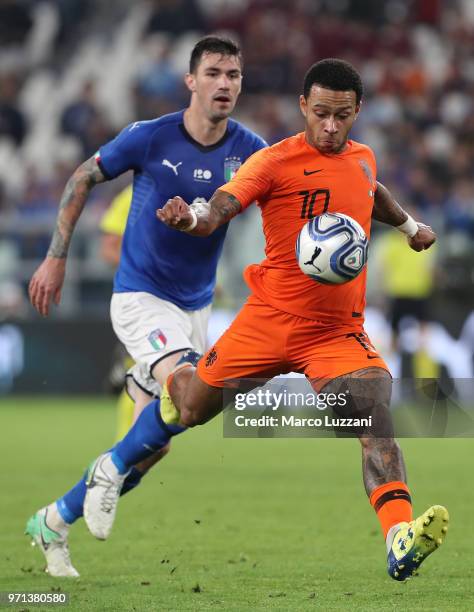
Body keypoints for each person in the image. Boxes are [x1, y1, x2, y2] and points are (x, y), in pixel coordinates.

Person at [82, 59, 448, 582]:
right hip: (268, 321)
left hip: (335, 332)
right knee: (189, 410)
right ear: (303, 106)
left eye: (341, 116)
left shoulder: (364, 158)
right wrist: (192, 218)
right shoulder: (273, 162)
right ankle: (151, 377)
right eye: (319, 113)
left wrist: (411, 226)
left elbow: (372, 191)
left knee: (375, 423)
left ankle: (399, 537)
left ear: (356, 112)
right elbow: (220, 207)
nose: (329, 126)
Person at [25, 35, 267, 578]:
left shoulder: (250, 149)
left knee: (157, 444)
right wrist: (55, 258)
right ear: (191, 81)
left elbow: (286, 193)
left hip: (195, 308)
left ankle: (55, 519)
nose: (224, 84)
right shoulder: (150, 137)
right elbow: (82, 175)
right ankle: (106, 468)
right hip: (141, 298)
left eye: (233, 75)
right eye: (213, 74)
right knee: (182, 394)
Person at [99, 184, 136, 439]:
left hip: (185, 296)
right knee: (140, 370)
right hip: (142, 293)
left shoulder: (189, 186)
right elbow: (109, 247)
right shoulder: (132, 195)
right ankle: (127, 444)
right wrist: (145, 267)